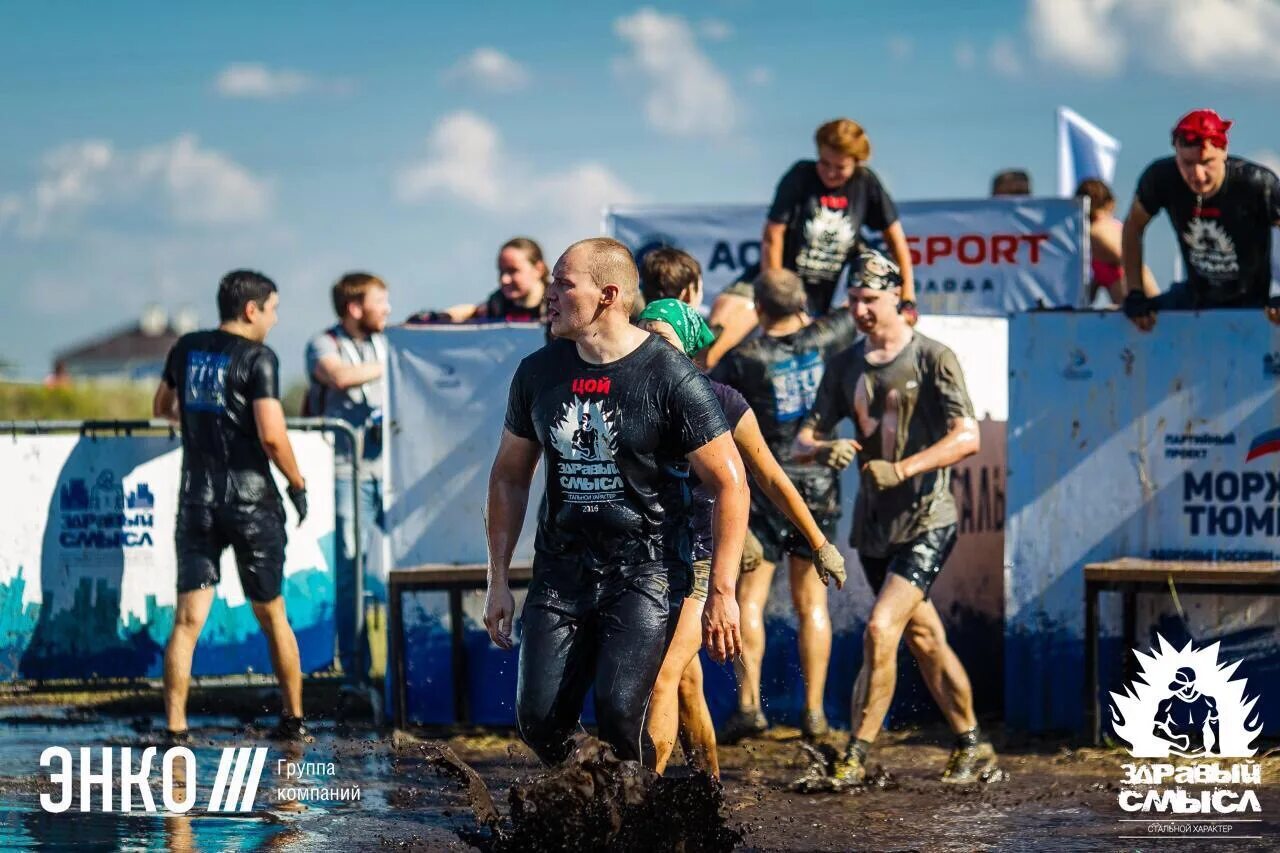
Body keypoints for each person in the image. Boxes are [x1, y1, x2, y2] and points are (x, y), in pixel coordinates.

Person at [482, 237, 749, 766]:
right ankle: (587, 794)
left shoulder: (672, 377)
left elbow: (731, 483)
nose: (549, 296)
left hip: (645, 568)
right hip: (561, 570)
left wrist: (723, 592)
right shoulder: (539, 373)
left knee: (621, 711)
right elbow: (509, 476)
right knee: (538, 720)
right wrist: (497, 580)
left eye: (563, 284)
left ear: (606, 295)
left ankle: (631, 820)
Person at [793, 247, 994, 784]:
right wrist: (823, 450)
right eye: (853, 299)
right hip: (874, 526)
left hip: (929, 517)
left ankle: (855, 755)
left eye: (870, 300)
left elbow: (967, 436)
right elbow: (802, 437)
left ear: (899, 301)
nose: (860, 310)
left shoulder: (933, 356)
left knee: (881, 629)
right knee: (923, 636)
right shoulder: (843, 365)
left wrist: (904, 470)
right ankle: (973, 744)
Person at [637, 297, 847, 777]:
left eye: (662, 340)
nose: (651, 349)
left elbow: (770, 477)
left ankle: (642, 803)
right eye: (643, 336)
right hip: (645, 559)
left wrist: (819, 543)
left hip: (700, 561)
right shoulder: (626, 400)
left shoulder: (723, 402)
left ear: (688, 349)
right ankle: (709, 790)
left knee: (664, 677)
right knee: (686, 684)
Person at [152, 270, 311, 743]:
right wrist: (298, 483)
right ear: (251, 310)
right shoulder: (259, 357)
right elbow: (271, 435)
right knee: (272, 614)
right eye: (273, 309)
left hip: (196, 500)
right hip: (250, 502)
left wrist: (203, 417)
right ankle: (293, 719)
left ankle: (177, 728)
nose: (275, 319)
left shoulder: (185, 348)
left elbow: (163, 406)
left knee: (187, 620)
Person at [710, 267, 857, 742]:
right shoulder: (828, 335)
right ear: (801, 304)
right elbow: (851, 313)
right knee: (811, 602)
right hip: (818, 485)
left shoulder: (742, 358)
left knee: (749, 599)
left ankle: (750, 705)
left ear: (758, 309)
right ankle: (814, 712)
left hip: (764, 488)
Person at [706, 118, 916, 368]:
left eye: (840, 167)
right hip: (775, 279)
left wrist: (908, 298)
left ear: (857, 164)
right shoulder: (801, 176)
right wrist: (775, 297)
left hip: (818, 299)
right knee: (720, 326)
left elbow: (897, 243)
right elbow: (773, 236)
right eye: (824, 163)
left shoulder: (866, 184)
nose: (830, 172)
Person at [1122, 109, 1280, 331]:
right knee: (1128, 320)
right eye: (1187, 163)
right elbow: (1133, 227)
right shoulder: (1161, 178)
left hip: (1251, 301)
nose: (1197, 174)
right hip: (1194, 296)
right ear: (1176, 153)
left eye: (1207, 162)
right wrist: (1135, 292)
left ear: (1224, 151)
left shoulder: (1256, 183)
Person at [305, 272, 391, 677]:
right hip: (344, 473)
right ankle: (356, 672)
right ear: (355, 308)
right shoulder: (324, 343)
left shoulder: (384, 341)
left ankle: (401, 670)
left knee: (400, 567)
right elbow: (337, 376)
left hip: (389, 471)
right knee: (350, 571)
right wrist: (395, 363)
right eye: (381, 301)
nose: (388, 310)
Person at [408, 237, 551, 324]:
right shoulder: (497, 304)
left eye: (513, 271)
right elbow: (470, 311)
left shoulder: (558, 304)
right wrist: (437, 317)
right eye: (501, 271)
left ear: (538, 269)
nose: (504, 279)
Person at [1074, 179, 1158, 305]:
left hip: (1137, 311)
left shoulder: (1095, 232)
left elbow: (1127, 260)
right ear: (1110, 203)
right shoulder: (1112, 228)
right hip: (1140, 308)